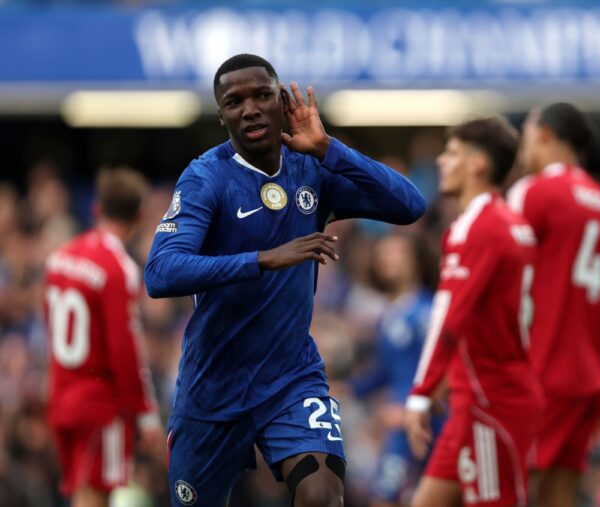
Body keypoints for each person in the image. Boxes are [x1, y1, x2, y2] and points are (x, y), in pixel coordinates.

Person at [143, 53, 426, 507]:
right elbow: (160, 272)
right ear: (222, 116)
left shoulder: (311, 167)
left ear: (282, 102)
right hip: (213, 387)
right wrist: (262, 260)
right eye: (234, 102)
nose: (250, 109)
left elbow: (410, 205)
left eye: (261, 95)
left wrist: (328, 148)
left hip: (291, 379)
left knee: (322, 494)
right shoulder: (206, 177)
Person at [404, 117, 544, 507]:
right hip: (475, 394)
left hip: (490, 400)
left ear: (477, 164)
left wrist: (421, 393)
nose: (441, 161)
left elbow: (448, 316)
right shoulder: (511, 224)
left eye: (451, 153)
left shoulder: (478, 228)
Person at [506, 102, 600, 507]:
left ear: (543, 135)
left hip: (540, 368)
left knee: (504, 484)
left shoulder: (534, 192)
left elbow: (505, 274)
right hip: (587, 378)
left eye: (525, 137)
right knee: (560, 495)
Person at [44, 168, 161, 507]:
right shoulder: (117, 268)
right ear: (139, 217)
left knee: (80, 492)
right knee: (94, 497)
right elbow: (126, 351)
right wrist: (145, 414)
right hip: (99, 406)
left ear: (97, 209)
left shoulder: (60, 257)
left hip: (62, 397)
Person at [348, 234, 437, 506]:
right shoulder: (390, 314)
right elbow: (385, 371)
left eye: (398, 252)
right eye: (383, 253)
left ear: (417, 260)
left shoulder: (427, 313)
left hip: (424, 424)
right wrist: (347, 389)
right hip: (398, 427)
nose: (388, 259)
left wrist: (414, 409)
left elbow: (443, 370)